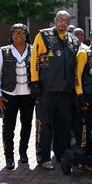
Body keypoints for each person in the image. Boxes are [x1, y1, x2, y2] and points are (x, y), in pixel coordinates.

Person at [30, 10, 80, 170]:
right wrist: (35, 81)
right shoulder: (43, 35)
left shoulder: (73, 40)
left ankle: (61, 155)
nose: (63, 22)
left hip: (66, 91)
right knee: (44, 125)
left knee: (64, 126)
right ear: (55, 20)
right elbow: (35, 59)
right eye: (60, 19)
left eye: (66, 20)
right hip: (47, 90)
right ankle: (43, 157)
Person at [0, 23, 35, 170]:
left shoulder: (33, 49)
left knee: (27, 125)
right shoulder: (3, 51)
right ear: (11, 35)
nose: (19, 35)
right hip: (9, 95)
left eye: (22, 32)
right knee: (8, 126)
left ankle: (23, 152)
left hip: (28, 95)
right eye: (16, 32)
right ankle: (9, 156)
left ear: (26, 35)